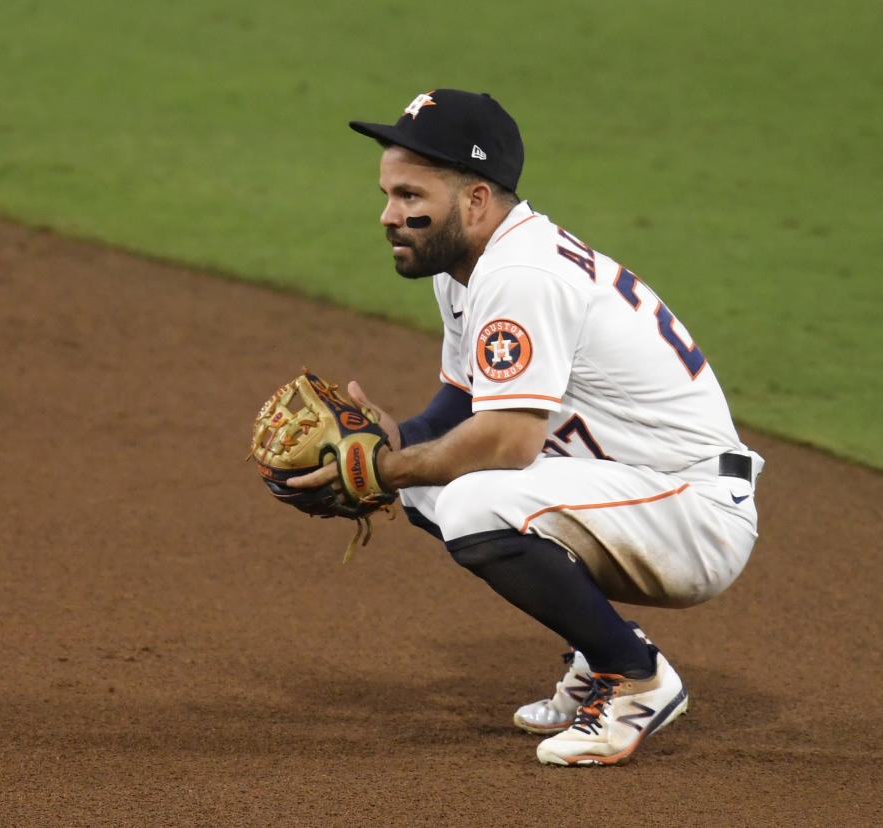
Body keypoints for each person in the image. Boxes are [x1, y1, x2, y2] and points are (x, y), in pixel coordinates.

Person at [289, 89, 763, 767]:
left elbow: (509, 442)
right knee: (432, 478)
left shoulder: (521, 274)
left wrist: (382, 471)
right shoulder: (468, 269)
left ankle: (634, 678)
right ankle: (600, 657)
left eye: (409, 196)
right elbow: (460, 406)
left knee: (471, 500)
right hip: (638, 493)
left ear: (476, 199)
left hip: (692, 513)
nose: (389, 215)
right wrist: (392, 449)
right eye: (388, 194)